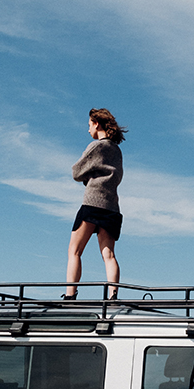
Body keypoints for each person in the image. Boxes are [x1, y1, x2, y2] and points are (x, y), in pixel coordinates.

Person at [65, 108, 126, 299]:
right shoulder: (117, 151)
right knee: (109, 255)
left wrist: (88, 177)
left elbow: (76, 172)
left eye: (89, 125)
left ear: (97, 124)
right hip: (111, 207)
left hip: (92, 203)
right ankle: (113, 296)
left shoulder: (95, 146)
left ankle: (69, 296)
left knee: (74, 251)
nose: (88, 129)